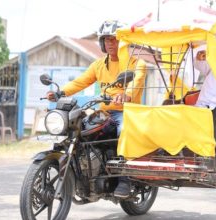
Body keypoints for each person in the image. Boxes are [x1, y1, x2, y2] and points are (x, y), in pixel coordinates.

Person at [46, 20, 147, 198]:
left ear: (123, 41)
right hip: (105, 113)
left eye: (114, 39)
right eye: (106, 39)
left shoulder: (137, 64)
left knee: (122, 130)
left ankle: (125, 178)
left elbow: (136, 83)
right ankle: (84, 170)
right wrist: (60, 92)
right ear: (101, 43)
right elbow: (80, 82)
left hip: (128, 112)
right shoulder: (98, 65)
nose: (110, 43)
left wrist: (126, 95)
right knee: (78, 129)